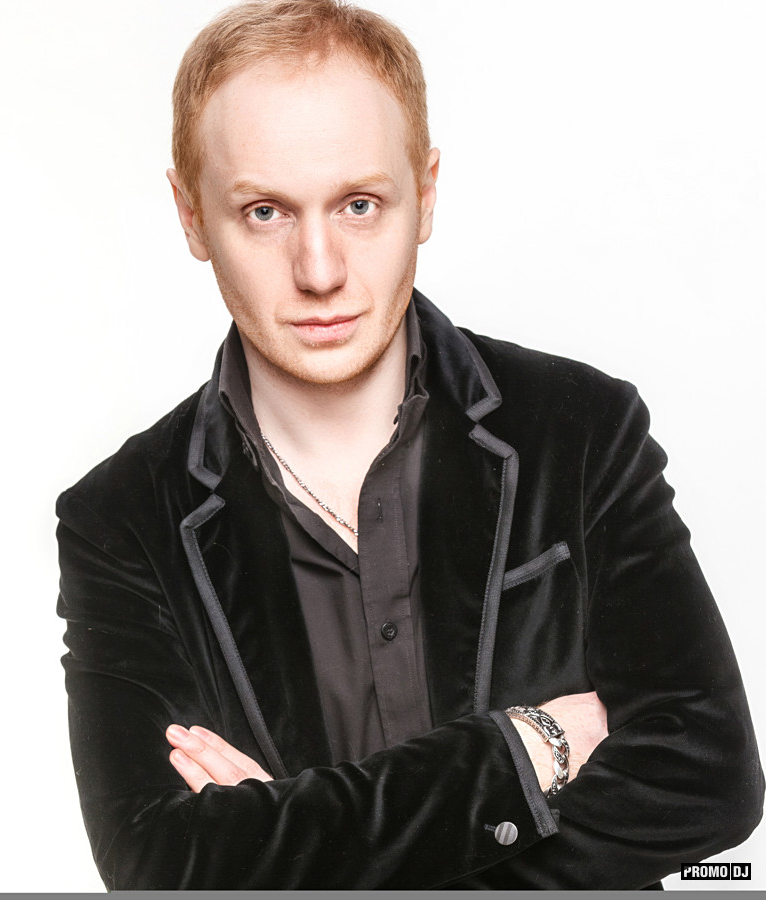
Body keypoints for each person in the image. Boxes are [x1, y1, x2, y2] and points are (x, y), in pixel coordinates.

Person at [56, 0, 763, 889]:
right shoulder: (120, 519)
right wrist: (524, 747)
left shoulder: (580, 428)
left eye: (359, 204)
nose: (319, 270)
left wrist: (292, 843)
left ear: (424, 195)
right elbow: (158, 865)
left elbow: (707, 777)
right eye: (265, 211)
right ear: (192, 216)